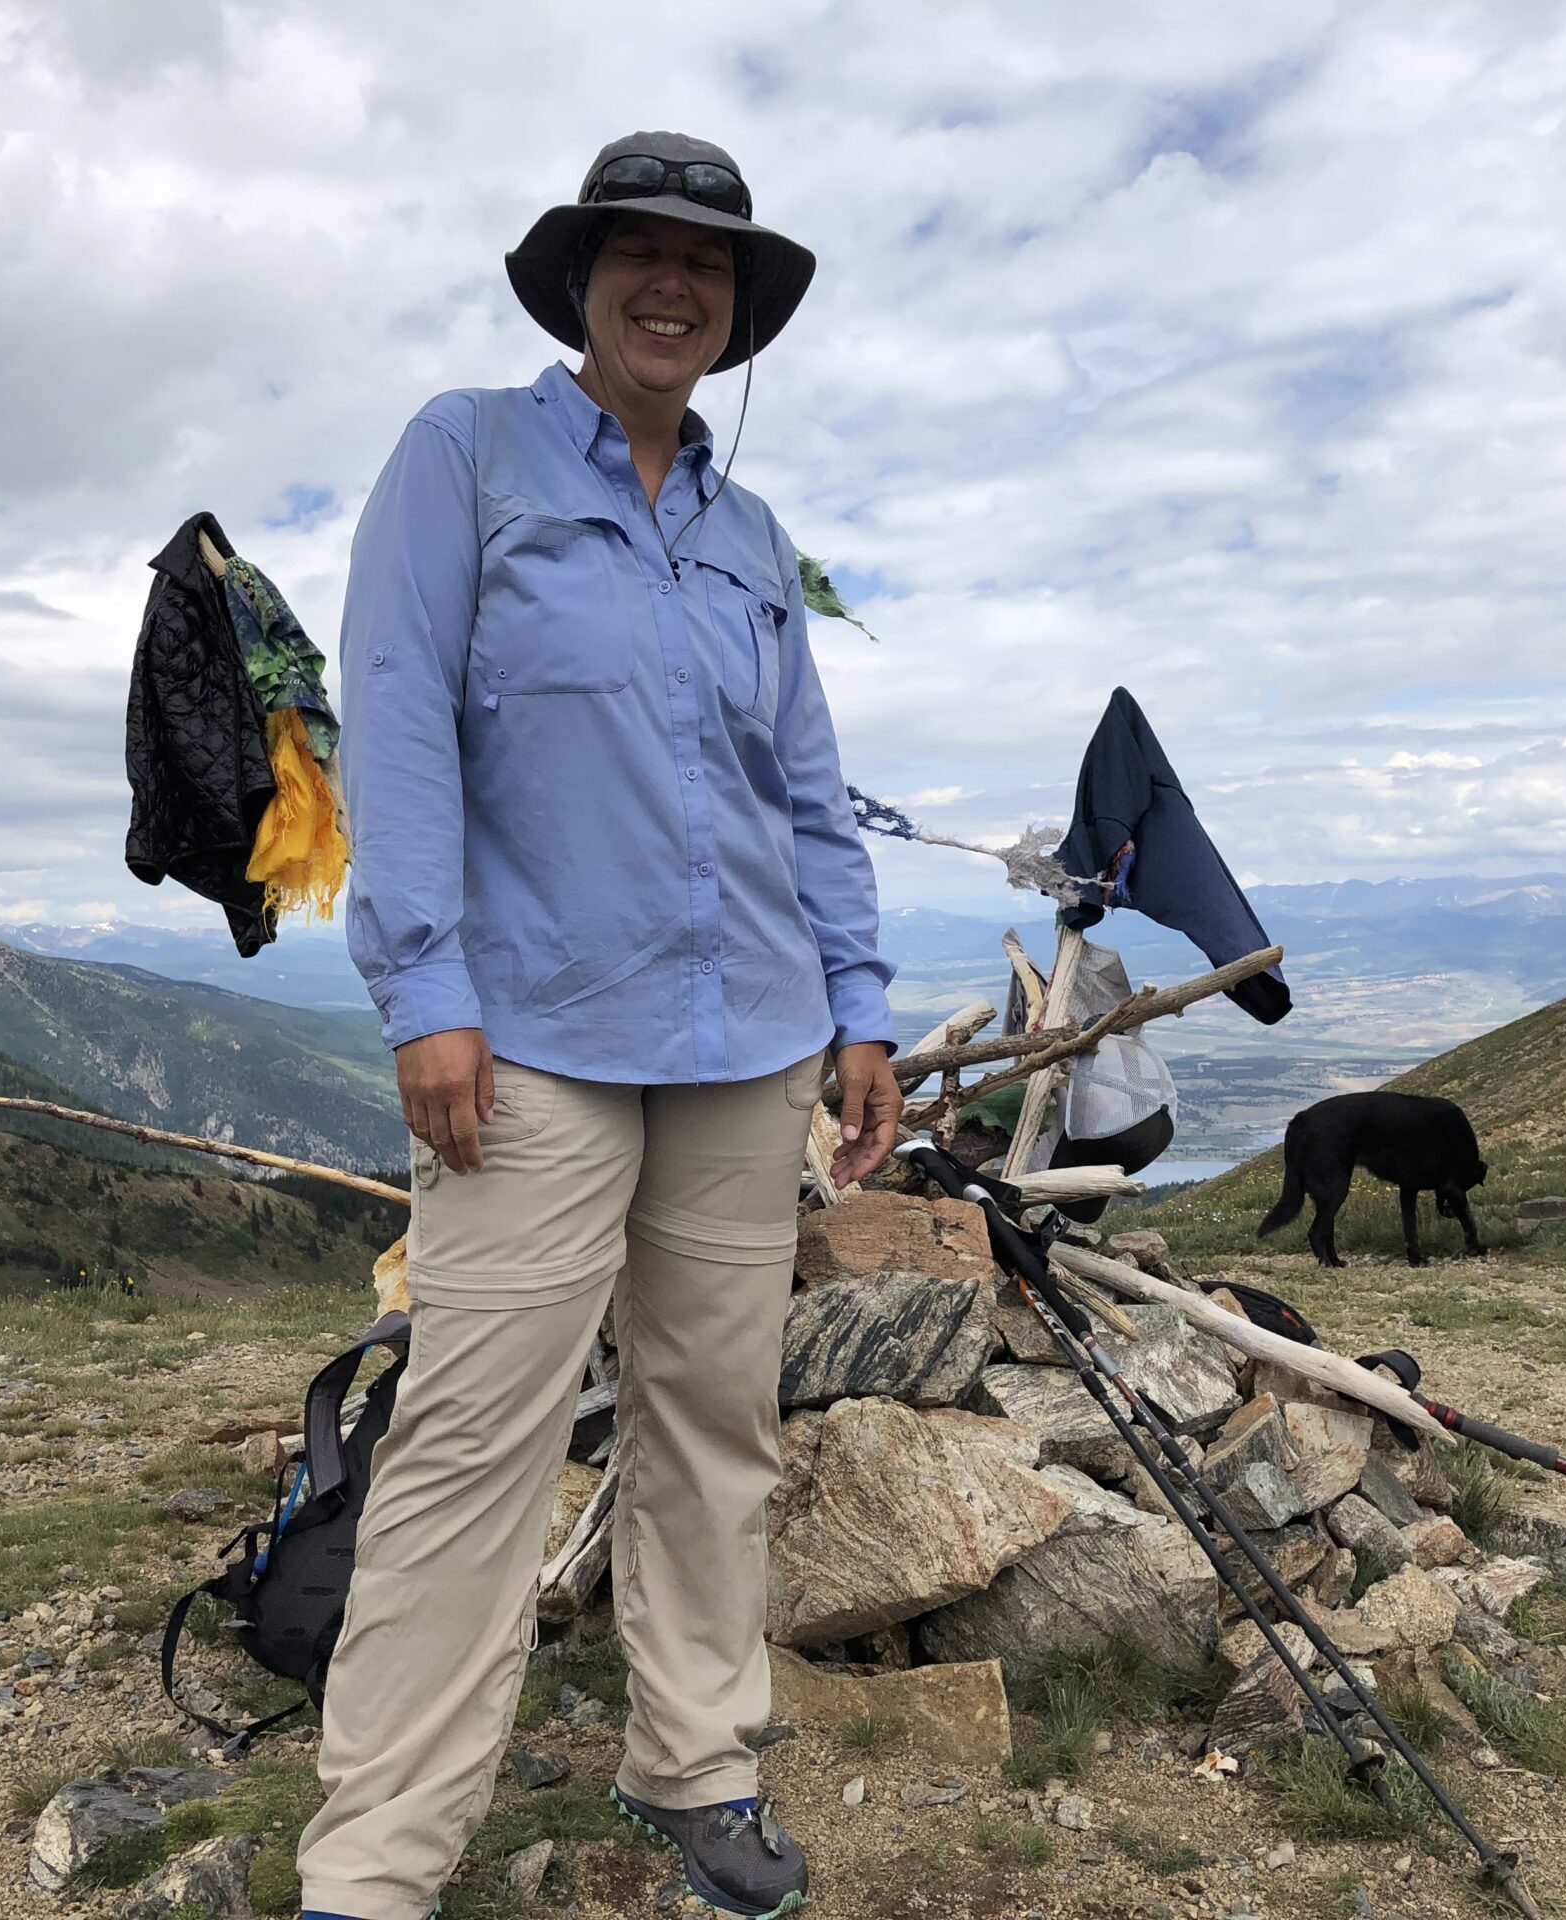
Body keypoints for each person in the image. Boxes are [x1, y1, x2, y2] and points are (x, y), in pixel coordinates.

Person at [297, 131, 901, 1920]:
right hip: (530, 1040)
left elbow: (807, 791)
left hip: (748, 1046)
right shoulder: (461, 456)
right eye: (639, 251)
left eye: (704, 264)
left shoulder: (750, 533)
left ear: (735, 308)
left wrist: (858, 1004)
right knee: (477, 1436)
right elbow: (391, 724)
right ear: (582, 279)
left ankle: (694, 1762)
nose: (671, 284)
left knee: (715, 1420)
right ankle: (379, 1866)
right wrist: (424, 990)